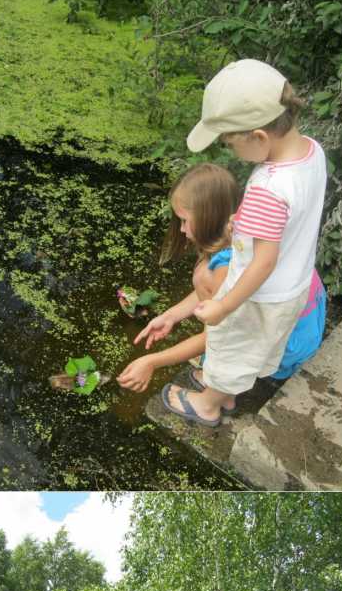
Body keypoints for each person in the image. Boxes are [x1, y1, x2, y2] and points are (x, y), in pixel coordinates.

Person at [132, 59, 327, 429]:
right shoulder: (311, 153)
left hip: (261, 293)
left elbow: (263, 262)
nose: (230, 151)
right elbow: (293, 218)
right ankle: (224, 387)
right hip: (294, 285)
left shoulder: (267, 188)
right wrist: (250, 225)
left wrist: (223, 306)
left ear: (258, 137)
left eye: (230, 143)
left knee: (229, 346)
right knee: (247, 350)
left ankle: (208, 403)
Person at [117, 162, 237, 394]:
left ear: (208, 218)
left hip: (272, 349)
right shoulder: (231, 240)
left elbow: (215, 338)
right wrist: (170, 316)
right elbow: (207, 292)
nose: (181, 230)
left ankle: (217, 393)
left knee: (220, 345)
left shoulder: (226, 268)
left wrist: (152, 361)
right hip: (247, 329)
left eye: (184, 220)